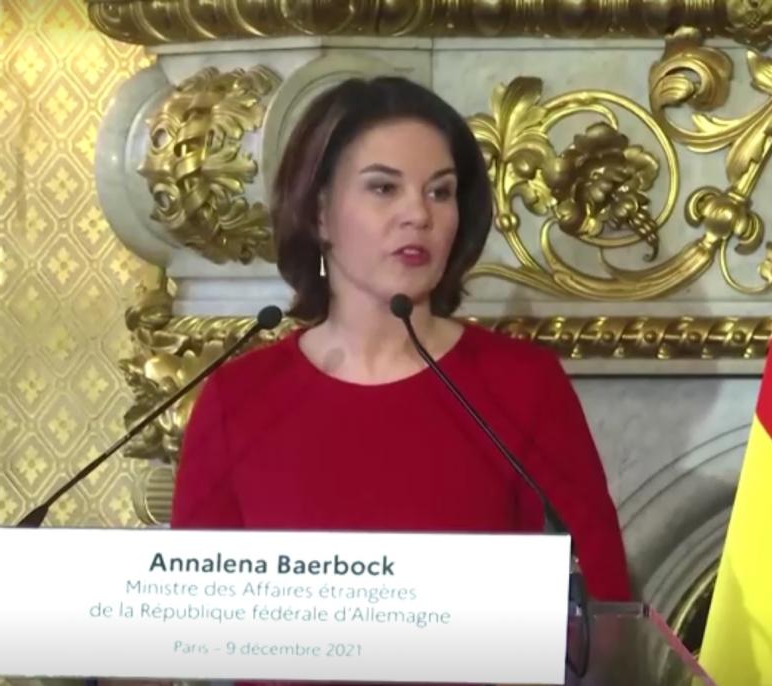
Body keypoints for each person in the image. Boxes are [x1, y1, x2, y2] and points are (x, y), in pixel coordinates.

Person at [170, 76, 631, 603]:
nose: (419, 214)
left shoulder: (524, 387)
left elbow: (601, 606)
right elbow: (190, 614)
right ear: (319, 212)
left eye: (440, 192)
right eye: (384, 188)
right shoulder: (239, 399)